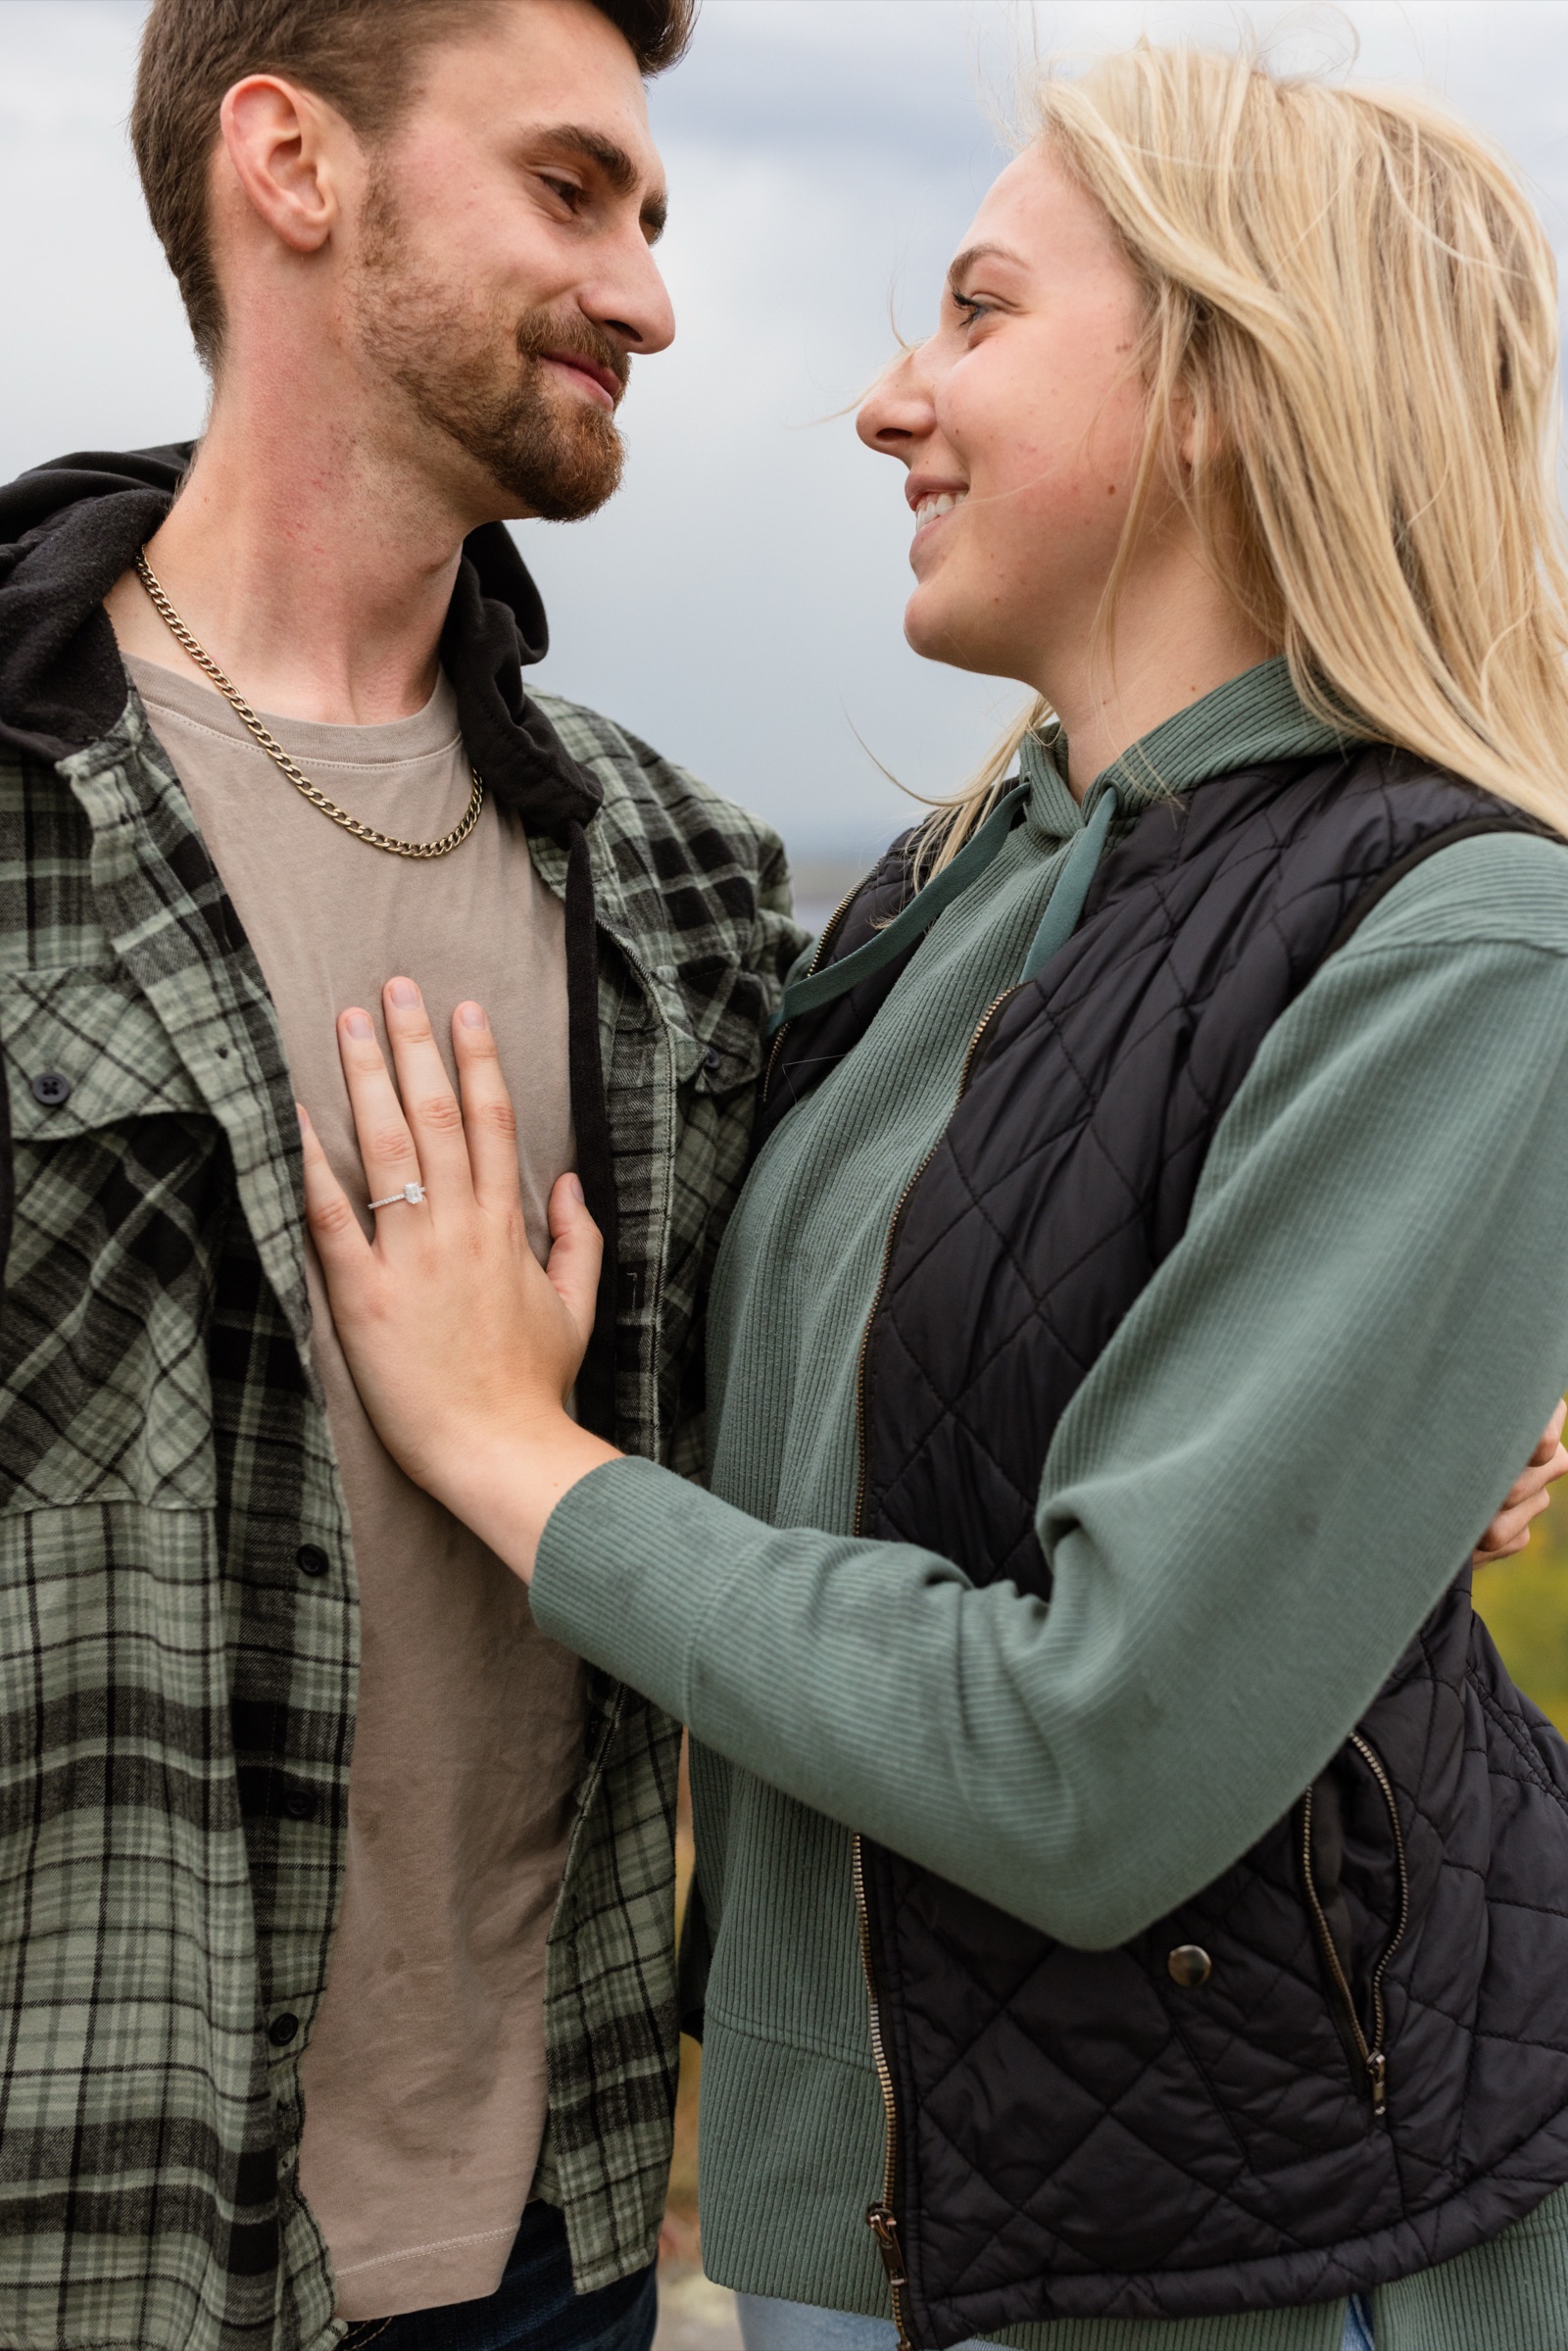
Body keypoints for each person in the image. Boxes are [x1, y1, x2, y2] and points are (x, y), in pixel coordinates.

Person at [302, 40, 1568, 2351]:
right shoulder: (970, 881)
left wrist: (513, 1450)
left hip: (1258, 2263)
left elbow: (1089, 1763)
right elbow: (864, 1407)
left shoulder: (1467, 934)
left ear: (1215, 378)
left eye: (976, 312)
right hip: (869, 2212)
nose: (885, 400)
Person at [0, 3, 808, 2348]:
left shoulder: (680, 886)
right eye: (572, 192)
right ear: (292, 163)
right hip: (76, 2231)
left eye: (648, 214)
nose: (649, 293)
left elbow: (914, 1327)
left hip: (547, 2232)